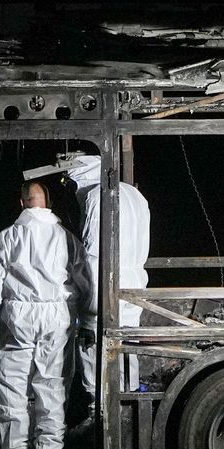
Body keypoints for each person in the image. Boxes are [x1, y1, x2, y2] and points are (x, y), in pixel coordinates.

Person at [0, 181, 92, 449]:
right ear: (47, 202)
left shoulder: (9, 237)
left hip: (19, 315)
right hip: (57, 314)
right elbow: (84, 280)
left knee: (11, 386)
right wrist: (88, 319)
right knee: (52, 386)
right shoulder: (66, 238)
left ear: (22, 202)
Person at [66, 155, 150, 403]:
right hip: (135, 278)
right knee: (127, 341)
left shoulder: (97, 195)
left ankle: (98, 405)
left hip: (106, 280)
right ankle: (129, 395)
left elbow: (93, 251)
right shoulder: (135, 195)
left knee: (92, 342)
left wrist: (84, 293)